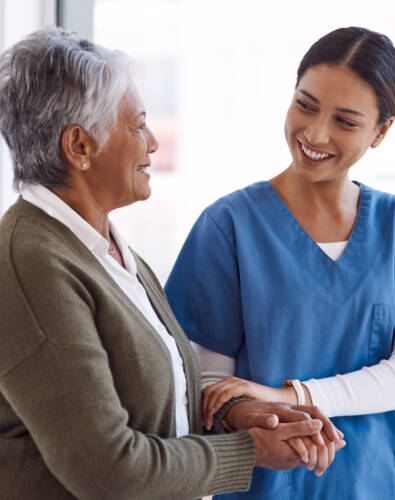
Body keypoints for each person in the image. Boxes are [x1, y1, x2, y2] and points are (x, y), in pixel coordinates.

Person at [0, 28, 343, 500]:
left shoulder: (106, 249)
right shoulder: (32, 265)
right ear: (79, 147)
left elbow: (149, 401)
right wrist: (250, 451)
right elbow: (109, 472)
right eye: (137, 125)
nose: (153, 143)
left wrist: (237, 414)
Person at [165, 27, 395, 500]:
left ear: (381, 131)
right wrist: (261, 411)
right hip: (268, 482)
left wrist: (292, 396)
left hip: (379, 481)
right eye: (306, 105)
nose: (315, 133)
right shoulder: (228, 226)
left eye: (346, 121)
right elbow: (213, 387)